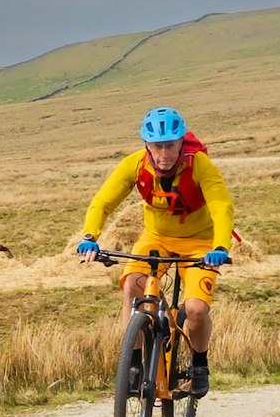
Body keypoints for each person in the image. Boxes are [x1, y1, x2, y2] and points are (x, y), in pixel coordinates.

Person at [73, 106, 235, 397]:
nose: (164, 154)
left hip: (199, 242)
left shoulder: (200, 165)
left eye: (170, 145)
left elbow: (221, 206)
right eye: (157, 146)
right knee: (132, 291)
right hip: (155, 238)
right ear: (146, 144)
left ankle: (199, 364)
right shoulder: (135, 165)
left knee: (196, 309)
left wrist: (220, 246)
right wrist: (89, 236)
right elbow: (103, 202)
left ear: (181, 142)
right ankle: (133, 364)